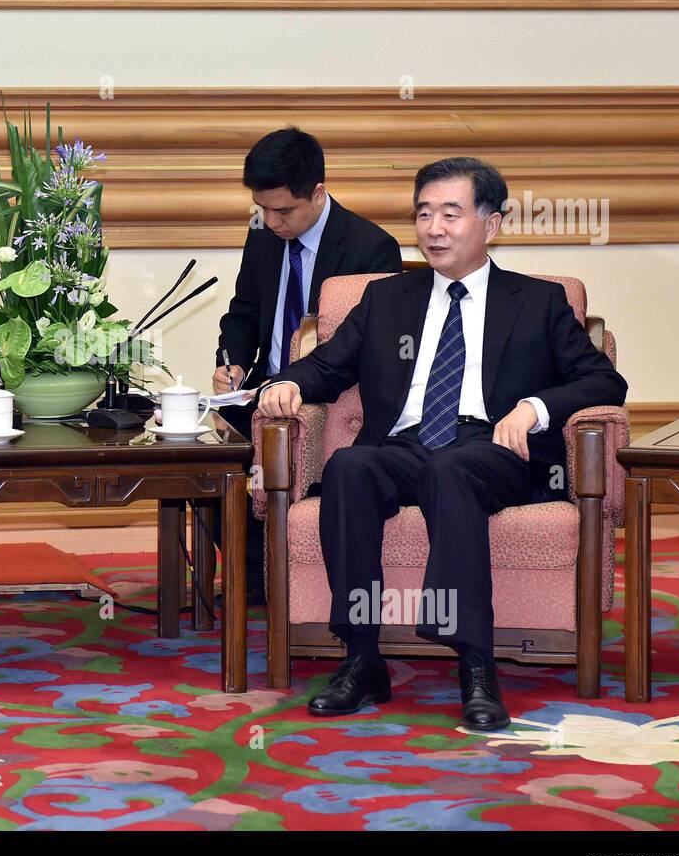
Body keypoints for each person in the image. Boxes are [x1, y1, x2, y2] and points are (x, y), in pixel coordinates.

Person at [257, 156, 627, 731]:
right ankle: (361, 659)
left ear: (491, 224)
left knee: (451, 469)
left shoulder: (537, 301)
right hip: (405, 446)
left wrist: (534, 408)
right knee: (350, 468)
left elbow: (605, 380)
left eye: (450, 214)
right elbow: (327, 367)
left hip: (491, 451)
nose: (434, 228)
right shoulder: (388, 298)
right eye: (424, 214)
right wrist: (287, 383)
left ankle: (476, 666)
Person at [213, 128, 401, 604]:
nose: (270, 221)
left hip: (327, 395)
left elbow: (361, 351)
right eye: (262, 208)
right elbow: (244, 312)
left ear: (317, 193)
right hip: (258, 390)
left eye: (283, 211)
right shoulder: (262, 236)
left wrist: (294, 382)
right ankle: (258, 577)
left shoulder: (369, 247)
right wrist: (231, 364)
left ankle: (285, 581)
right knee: (201, 456)